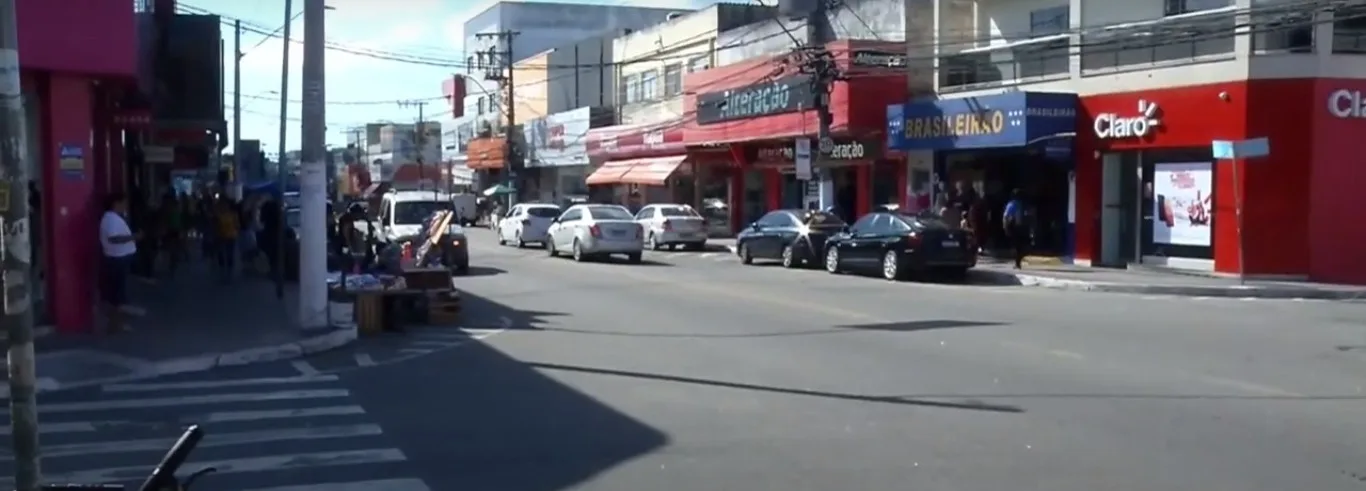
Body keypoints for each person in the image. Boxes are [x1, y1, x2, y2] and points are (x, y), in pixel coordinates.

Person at [99, 193, 139, 332]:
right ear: (116, 203)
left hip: (119, 259)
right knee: (116, 295)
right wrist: (134, 237)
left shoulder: (114, 218)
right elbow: (114, 238)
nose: (125, 206)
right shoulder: (111, 219)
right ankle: (115, 324)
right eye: (123, 203)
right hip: (116, 259)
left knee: (117, 294)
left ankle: (117, 323)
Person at [213, 197, 241, 280]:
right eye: (222, 205)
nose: (224, 206)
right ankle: (222, 271)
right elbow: (215, 225)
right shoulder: (218, 214)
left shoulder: (233, 214)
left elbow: (237, 225)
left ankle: (229, 272)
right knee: (221, 253)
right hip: (221, 236)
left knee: (229, 254)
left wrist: (236, 230)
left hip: (230, 236)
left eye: (225, 205)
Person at [1002, 189, 1030, 269]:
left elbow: (1006, 216)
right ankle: (1018, 262)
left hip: (1014, 227)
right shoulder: (1023, 204)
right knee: (1020, 246)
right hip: (1022, 227)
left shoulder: (1011, 204)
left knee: (1015, 245)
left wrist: (1005, 227)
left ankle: (1017, 262)